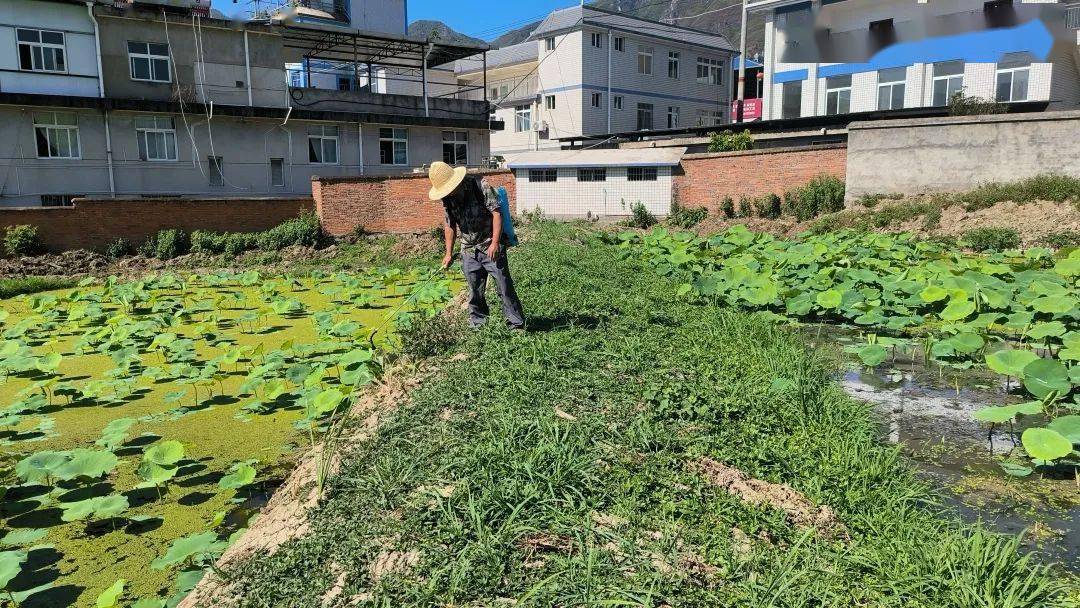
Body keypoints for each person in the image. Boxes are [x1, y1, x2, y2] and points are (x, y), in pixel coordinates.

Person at [427, 161, 526, 330]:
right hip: (468, 249)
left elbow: (497, 213)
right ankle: (478, 325)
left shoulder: (479, 185)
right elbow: (449, 225)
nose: (448, 193)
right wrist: (448, 253)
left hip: (490, 244)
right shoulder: (447, 199)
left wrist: (495, 243)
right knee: (474, 290)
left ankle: (516, 324)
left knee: (503, 286)